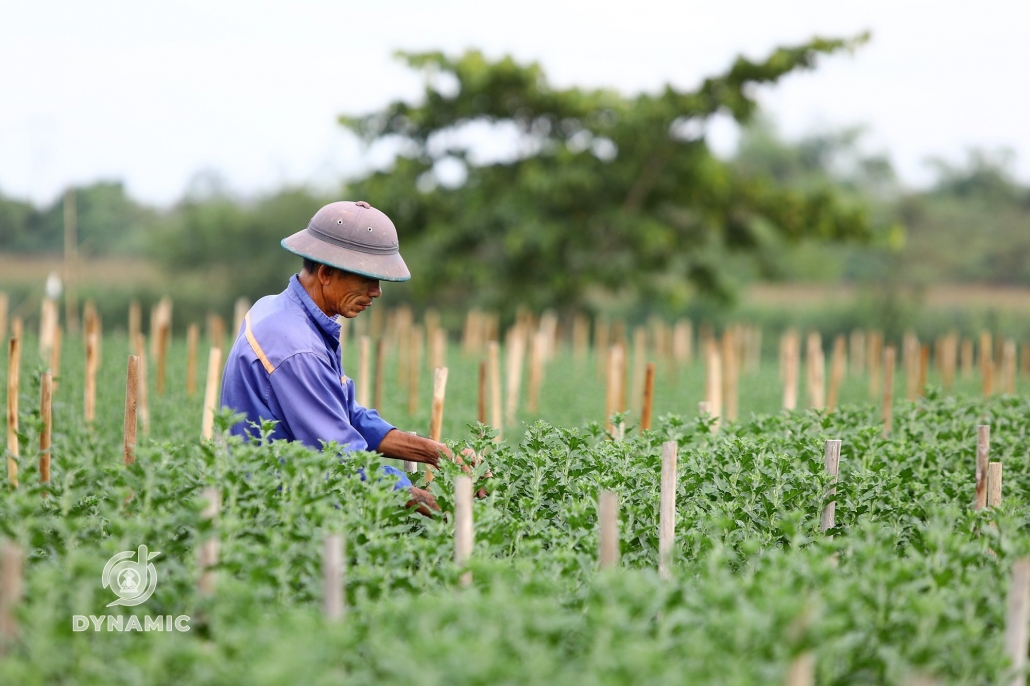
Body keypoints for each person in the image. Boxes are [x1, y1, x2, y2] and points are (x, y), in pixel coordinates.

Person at [220, 200, 465, 514]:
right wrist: (438, 504)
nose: (376, 291)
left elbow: (346, 415)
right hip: (275, 518)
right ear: (326, 273)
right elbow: (342, 459)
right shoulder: (297, 348)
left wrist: (437, 453)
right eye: (366, 278)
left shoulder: (278, 309)